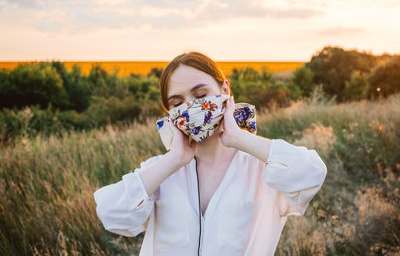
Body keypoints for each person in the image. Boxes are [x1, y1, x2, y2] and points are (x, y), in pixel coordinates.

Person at [93, 51, 328, 256]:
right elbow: (111, 213)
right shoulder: (162, 173)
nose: (191, 108)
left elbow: (312, 173)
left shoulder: (262, 166)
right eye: (177, 103)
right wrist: (174, 159)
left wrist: (239, 138)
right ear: (170, 114)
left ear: (224, 90)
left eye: (201, 95)